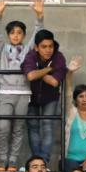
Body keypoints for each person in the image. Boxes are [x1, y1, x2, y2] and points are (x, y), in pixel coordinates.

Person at [0, 0, 44, 171]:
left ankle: (12, 162)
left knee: (18, 128)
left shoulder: (28, 50)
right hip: (5, 93)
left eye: (19, 32)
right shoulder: (2, 49)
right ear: (8, 35)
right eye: (13, 32)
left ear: (23, 35)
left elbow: (38, 36)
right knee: (3, 126)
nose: (16, 35)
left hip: (23, 93)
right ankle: (1, 161)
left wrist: (39, 17)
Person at [21, 29, 67, 164]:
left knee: (47, 126)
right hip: (32, 97)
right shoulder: (31, 56)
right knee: (33, 127)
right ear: (36, 47)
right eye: (44, 47)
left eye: (50, 46)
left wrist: (37, 72)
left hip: (50, 97)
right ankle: (36, 162)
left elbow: (54, 82)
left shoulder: (58, 57)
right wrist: (48, 69)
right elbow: (30, 76)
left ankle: (44, 162)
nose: (48, 50)